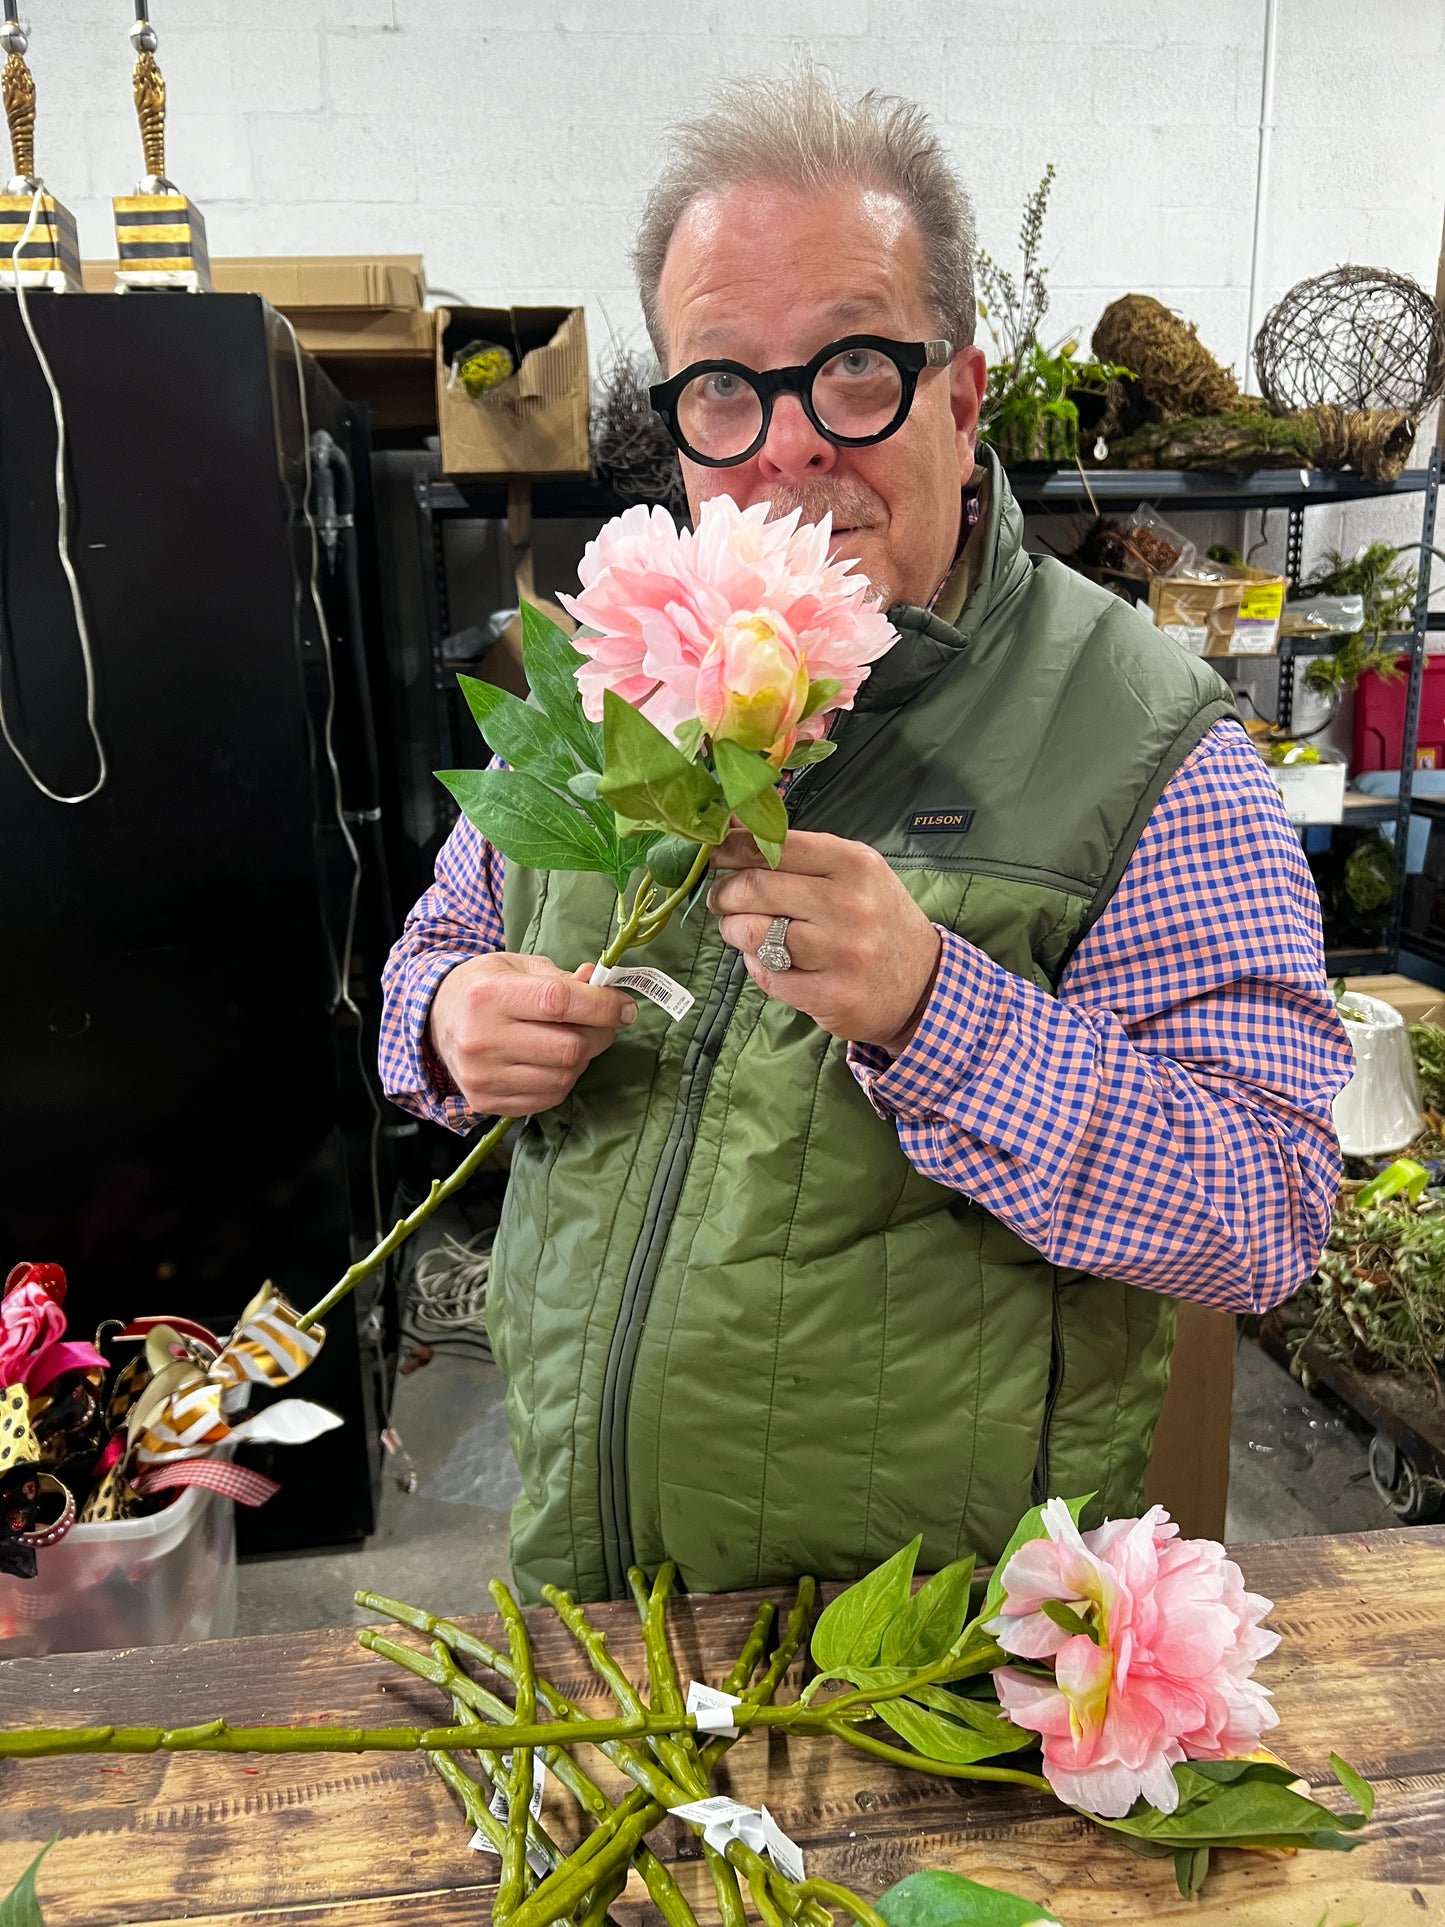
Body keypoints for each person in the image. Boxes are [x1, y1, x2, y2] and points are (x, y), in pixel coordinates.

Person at [380, 71, 1353, 1605]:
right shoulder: (610, 679)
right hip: (589, 1597)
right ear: (677, 425)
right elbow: (434, 952)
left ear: (961, 398)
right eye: (722, 386)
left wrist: (936, 1013)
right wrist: (443, 1026)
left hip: (917, 1656)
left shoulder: (1147, 744)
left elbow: (1264, 1211)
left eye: (851, 370)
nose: (783, 451)